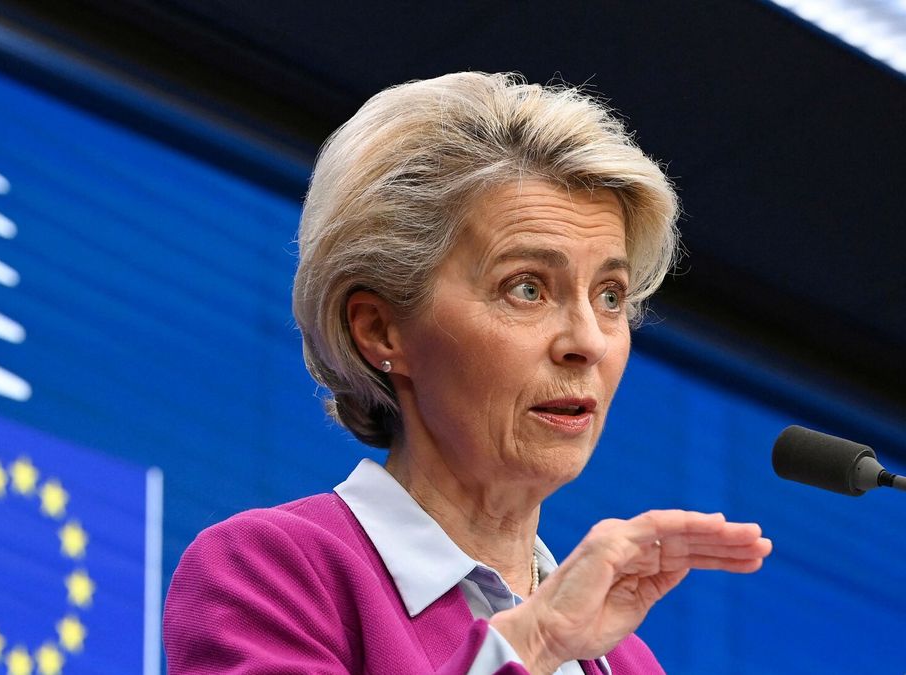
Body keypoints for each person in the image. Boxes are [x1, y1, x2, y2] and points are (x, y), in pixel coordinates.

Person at [163, 72, 772, 674]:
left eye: (610, 296)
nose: (588, 341)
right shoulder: (276, 572)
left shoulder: (625, 662)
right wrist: (534, 642)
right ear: (380, 329)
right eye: (527, 288)